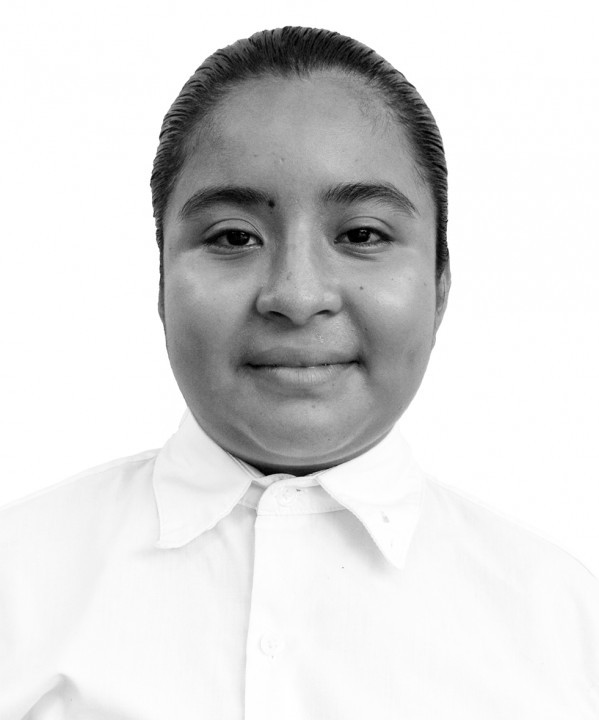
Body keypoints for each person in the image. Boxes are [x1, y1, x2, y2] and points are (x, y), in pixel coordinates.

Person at [0, 25, 597, 719]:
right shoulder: (19, 582)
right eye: (233, 237)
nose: (296, 294)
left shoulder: (564, 629)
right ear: (160, 280)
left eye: (362, 235)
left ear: (439, 284)